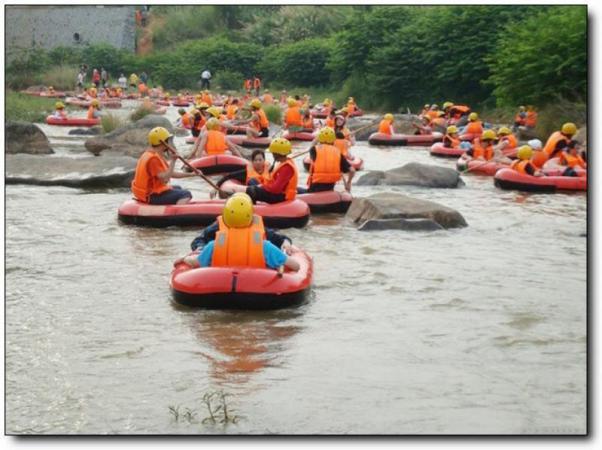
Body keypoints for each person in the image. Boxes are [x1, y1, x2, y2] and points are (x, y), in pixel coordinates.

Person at [176, 193, 300, 272]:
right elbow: (296, 266)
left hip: (218, 287)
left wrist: (184, 258)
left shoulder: (214, 245)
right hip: (258, 288)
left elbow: (195, 262)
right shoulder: (265, 246)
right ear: (251, 216)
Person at [220, 138, 298, 204]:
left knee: (253, 190)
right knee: (253, 185)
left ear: (277, 153)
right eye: (256, 160)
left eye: (273, 153)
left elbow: (276, 189)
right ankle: (236, 197)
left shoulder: (286, 168)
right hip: (280, 194)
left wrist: (262, 187)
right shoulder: (284, 164)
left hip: (282, 197)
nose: (272, 154)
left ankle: (246, 204)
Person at [131, 127, 195, 205]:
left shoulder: (152, 154)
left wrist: (191, 174)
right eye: (167, 140)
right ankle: (176, 213)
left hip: (150, 192)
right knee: (186, 194)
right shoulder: (153, 159)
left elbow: (170, 173)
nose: (169, 143)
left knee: (178, 188)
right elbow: (165, 178)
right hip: (150, 195)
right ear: (162, 142)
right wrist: (173, 161)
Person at [300, 127, 355, 193]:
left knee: (296, 189)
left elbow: (311, 146)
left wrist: (316, 139)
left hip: (315, 188)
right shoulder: (338, 152)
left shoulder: (314, 150)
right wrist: (348, 183)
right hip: (330, 187)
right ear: (333, 140)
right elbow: (352, 170)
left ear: (320, 138)